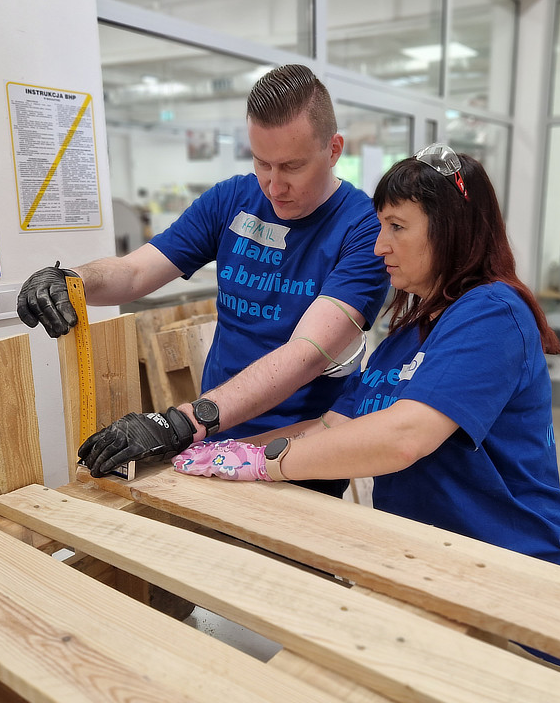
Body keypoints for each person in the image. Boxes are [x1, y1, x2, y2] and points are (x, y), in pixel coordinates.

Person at [156, 146, 560, 580]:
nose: (380, 246)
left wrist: (265, 463)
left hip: (512, 569)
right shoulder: (405, 334)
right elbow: (333, 425)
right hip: (429, 564)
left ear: (452, 230)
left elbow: (405, 436)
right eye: (381, 226)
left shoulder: (492, 312)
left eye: (397, 227)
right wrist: (225, 451)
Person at [20, 64, 389, 496]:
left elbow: (306, 353)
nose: (273, 186)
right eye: (261, 163)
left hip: (298, 451)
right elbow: (138, 271)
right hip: (216, 433)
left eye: (291, 166)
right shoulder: (232, 198)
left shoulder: (365, 229)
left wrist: (181, 422)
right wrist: (73, 279)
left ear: (334, 149)